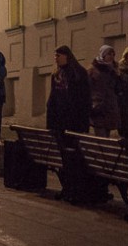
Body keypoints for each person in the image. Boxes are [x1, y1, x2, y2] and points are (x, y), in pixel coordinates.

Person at [46, 45, 95, 203]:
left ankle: (75, 188)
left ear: (67, 56)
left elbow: (84, 100)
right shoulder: (57, 74)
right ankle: (68, 187)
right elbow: (52, 100)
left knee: (74, 157)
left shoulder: (78, 73)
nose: (56, 59)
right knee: (65, 157)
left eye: (58, 56)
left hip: (74, 123)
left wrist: (83, 123)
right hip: (60, 123)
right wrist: (51, 123)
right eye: (55, 56)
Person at [87, 45, 122, 138]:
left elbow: (117, 88)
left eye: (113, 54)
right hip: (98, 108)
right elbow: (87, 88)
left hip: (110, 108)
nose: (111, 56)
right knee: (101, 138)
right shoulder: (93, 70)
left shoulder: (114, 69)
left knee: (106, 138)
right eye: (109, 54)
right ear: (103, 55)